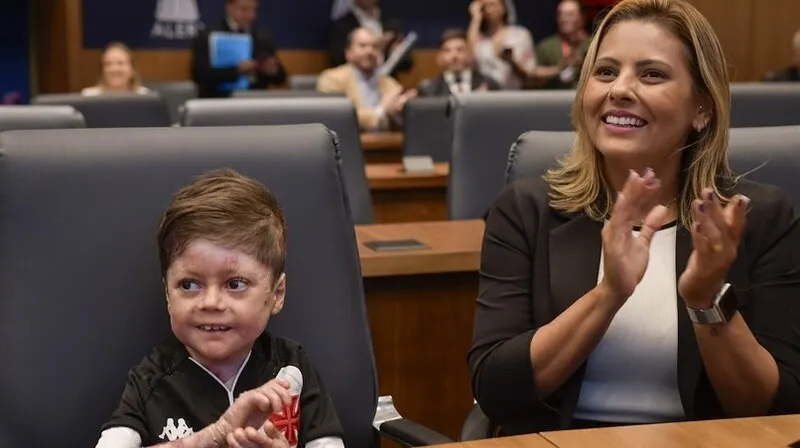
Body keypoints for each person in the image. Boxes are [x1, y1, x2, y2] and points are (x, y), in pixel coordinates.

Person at [468, 0, 800, 436]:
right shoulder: (526, 210)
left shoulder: (759, 219)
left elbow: (776, 407)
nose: (619, 89)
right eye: (605, 71)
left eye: (652, 74)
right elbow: (496, 389)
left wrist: (707, 300)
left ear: (702, 108)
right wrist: (608, 294)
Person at [94, 169, 344, 447]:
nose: (211, 302)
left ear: (277, 294)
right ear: (167, 294)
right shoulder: (150, 379)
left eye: (235, 284)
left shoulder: (292, 366)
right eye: (190, 285)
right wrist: (214, 436)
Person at [317, 27, 416, 131]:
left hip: (387, 144)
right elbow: (340, 118)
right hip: (348, 144)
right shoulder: (332, 79)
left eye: (374, 47)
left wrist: (404, 109)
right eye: (362, 46)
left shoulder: (389, 83)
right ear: (348, 52)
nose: (369, 51)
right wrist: (382, 110)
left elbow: (402, 123)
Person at [190, 0, 286, 98]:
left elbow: (280, 78)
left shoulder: (262, 38)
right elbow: (199, 75)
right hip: (219, 103)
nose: (251, 15)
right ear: (229, 8)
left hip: (255, 104)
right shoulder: (208, 36)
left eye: (254, 10)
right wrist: (236, 70)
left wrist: (272, 70)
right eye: (244, 9)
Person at [328, 0, 413, 76]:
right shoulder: (341, 25)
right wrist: (378, 46)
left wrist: (397, 54)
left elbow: (407, 65)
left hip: (387, 84)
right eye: (363, 45)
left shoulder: (391, 25)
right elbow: (337, 60)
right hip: (352, 84)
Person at [468, 0, 537, 90]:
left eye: (492, 5)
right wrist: (476, 18)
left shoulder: (520, 35)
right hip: (486, 94)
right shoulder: (480, 38)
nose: (489, 10)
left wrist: (512, 62)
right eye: (484, 7)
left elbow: (530, 74)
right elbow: (468, 57)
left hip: (515, 93)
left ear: (504, 8)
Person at [418, 29, 500, 97]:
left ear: (470, 53)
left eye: (460, 49)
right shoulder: (428, 90)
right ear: (440, 57)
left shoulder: (490, 84)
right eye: (447, 51)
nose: (454, 56)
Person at [534, 0, 592, 89]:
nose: (564, 19)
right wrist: (558, 69)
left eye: (570, 14)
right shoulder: (546, 46)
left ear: (582, 18)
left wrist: (584, 64)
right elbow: (534, 80)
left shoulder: (594, 44)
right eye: (560, 14)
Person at [81, 42, 150, 96]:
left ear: (132, 69)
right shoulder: (89, 96)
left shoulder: (145, 96)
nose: (114, 69)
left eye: (120, 63)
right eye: (108, 64)